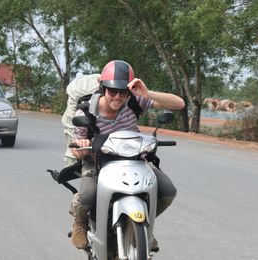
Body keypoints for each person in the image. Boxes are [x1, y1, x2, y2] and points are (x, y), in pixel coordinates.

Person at [70, 60, 185, 250]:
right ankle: (80, 222)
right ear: (103, 88)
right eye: (112, 91)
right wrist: (82, 146)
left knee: (167, 191)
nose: (117, 96)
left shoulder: (134, 101)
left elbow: (179, 104)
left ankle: (140, 225)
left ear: (129, 91)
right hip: (99, 162)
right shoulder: (86, 111)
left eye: (123, 92)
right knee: (88, 195)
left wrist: (147, 94)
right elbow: (77, 151)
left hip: (134, 161)